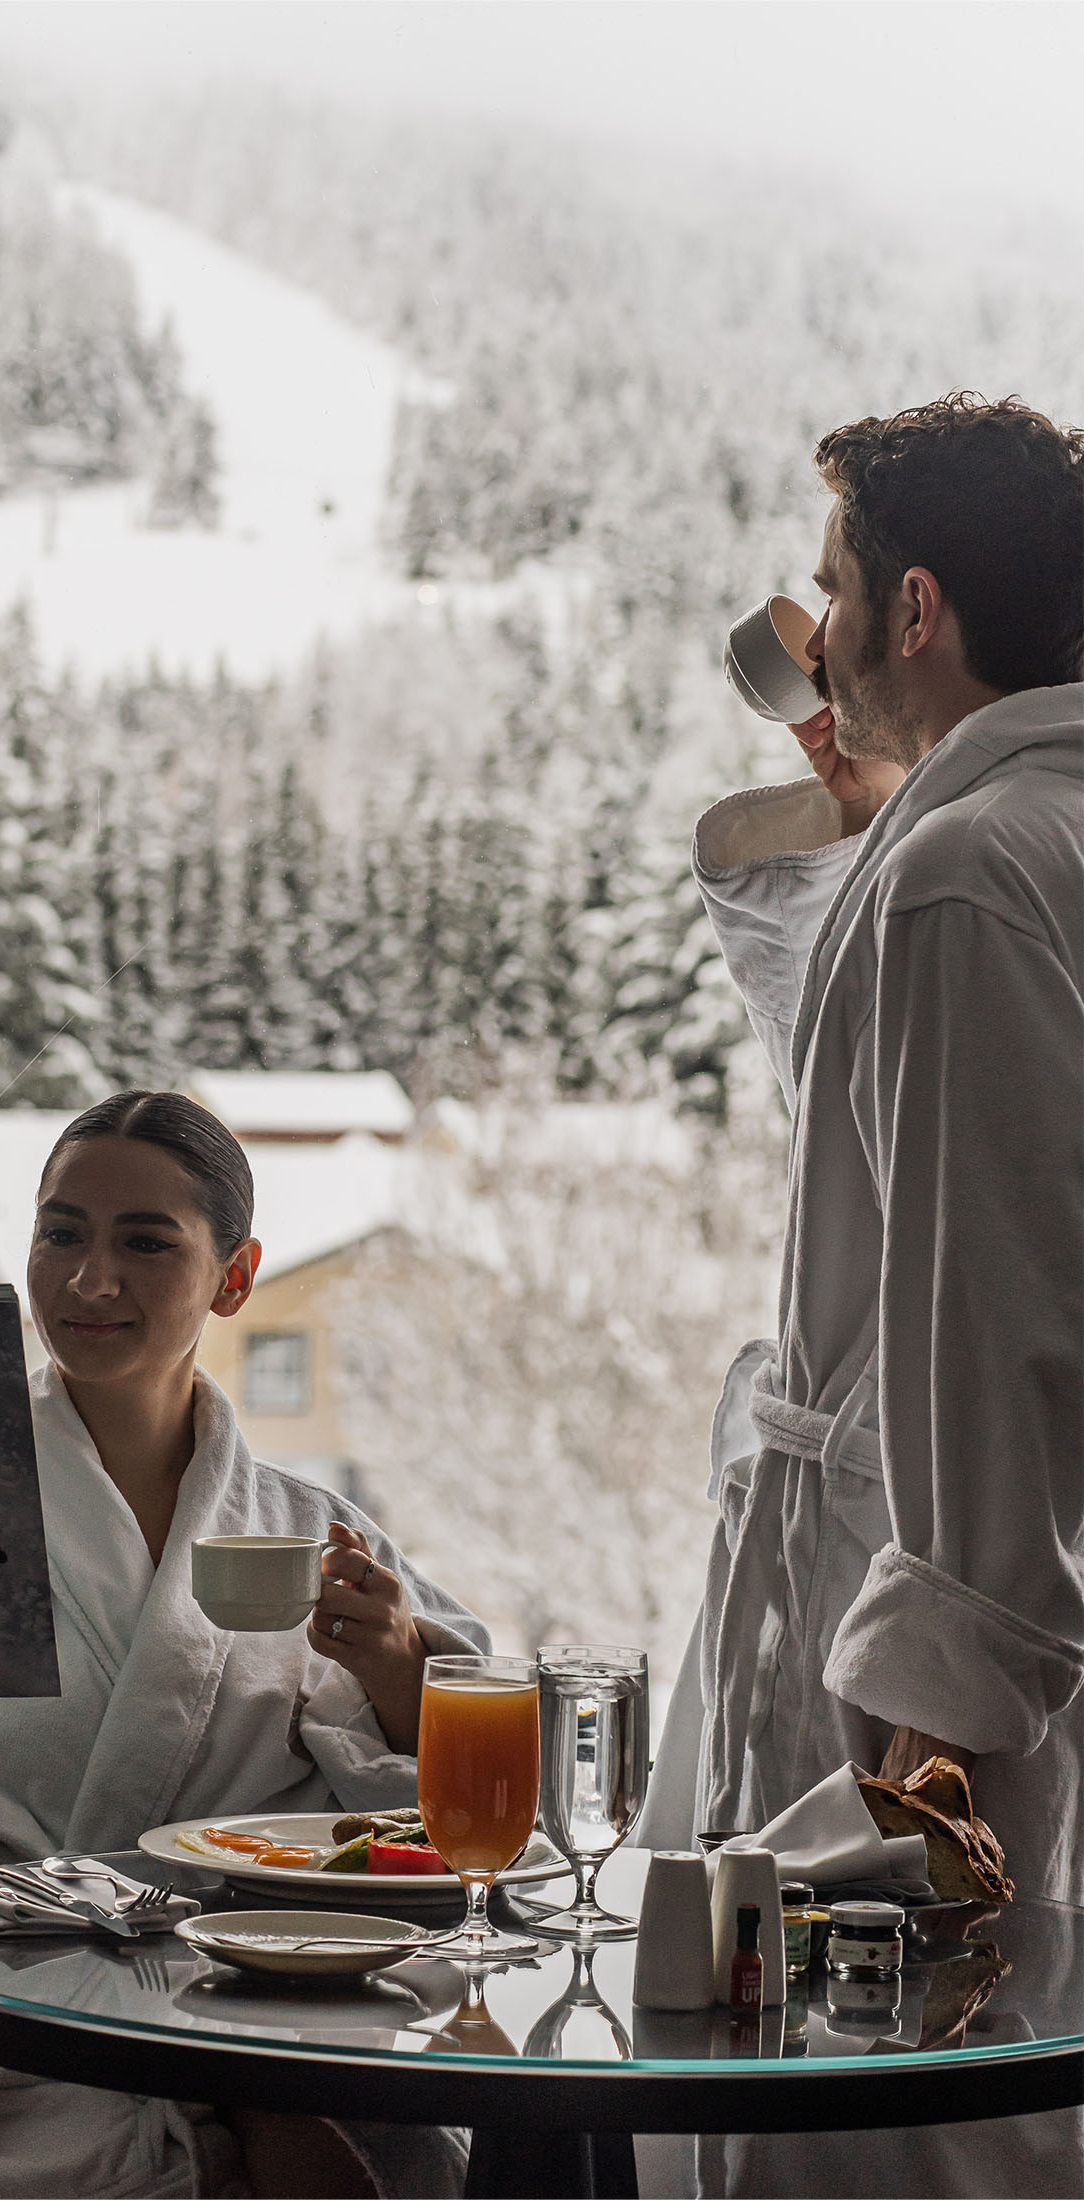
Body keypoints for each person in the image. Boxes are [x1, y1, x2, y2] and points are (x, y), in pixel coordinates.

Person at [0, 1090, 488, 2199]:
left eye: (143, 1242)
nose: (87, 1280)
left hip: (260, 2034)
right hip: (9, 2048)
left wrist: (400, 1671)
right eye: (60, 1232)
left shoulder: (308, 1535)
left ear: (235, 1276)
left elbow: (469, 1822)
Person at [642, 394, 1083, 2196]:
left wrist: (918, 1782)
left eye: (830, 589)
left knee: (879, 2155)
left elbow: (1003, 1328)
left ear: (913, 609)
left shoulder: (970, 878)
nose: (809, 633)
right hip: (973, 1620)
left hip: (940, 1671)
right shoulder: (1007, 835)